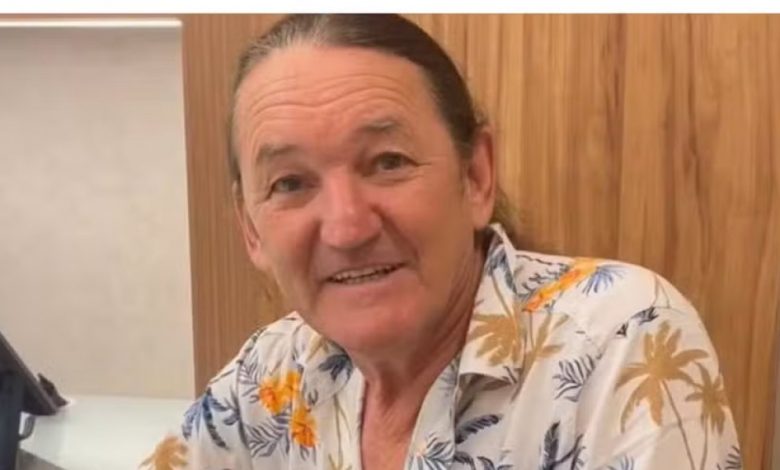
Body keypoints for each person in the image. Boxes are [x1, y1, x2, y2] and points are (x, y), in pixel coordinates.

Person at [142, 14, 742, 470]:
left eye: (388, 162)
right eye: (290, 183)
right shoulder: (270, 371)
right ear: (251, 229)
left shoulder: (621, 337)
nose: (348, 228)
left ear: (476, 176)